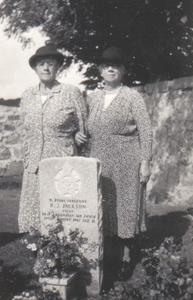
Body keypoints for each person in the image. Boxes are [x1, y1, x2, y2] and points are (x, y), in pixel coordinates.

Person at [86, 47, 153, 278]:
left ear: (123, 70)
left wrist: (145, 162)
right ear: (100, 71)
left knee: (125, 207)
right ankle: (106, 255)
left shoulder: (132, 97)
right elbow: (85, 129)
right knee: (103, 207)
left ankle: (126, 258)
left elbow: (146, 131)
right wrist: (79, 135)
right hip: (99, 160)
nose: (111, 69)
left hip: (127, 159)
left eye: (115, 65)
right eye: (106, 66)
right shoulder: (93, 98)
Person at [18, 43, 87, 233]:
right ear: (35, 69)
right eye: (41, 64)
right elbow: (24, 128)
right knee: (34, 212)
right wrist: (26, 154)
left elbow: (84, 127)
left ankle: (63, 255)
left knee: (61, 211)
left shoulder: (70, 92)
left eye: (50, 63)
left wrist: (76, 136)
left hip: (61, 161)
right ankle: (39, 252)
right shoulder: (27, 95)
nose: (46, 68)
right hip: (34, 163)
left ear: (58, 67)